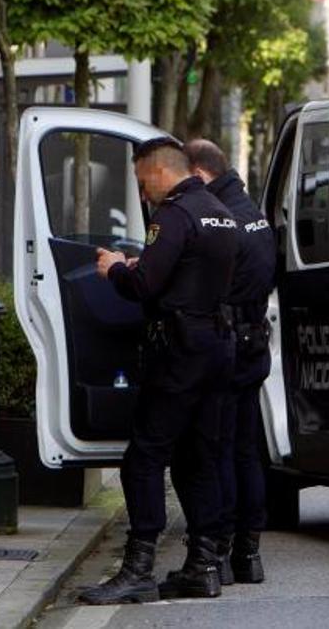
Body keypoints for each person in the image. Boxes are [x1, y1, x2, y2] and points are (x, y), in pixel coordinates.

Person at [78, 137, 237, 605]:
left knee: (144, 458)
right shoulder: (219, 210)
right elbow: (192, 273)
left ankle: (138, 569)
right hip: (217, 344)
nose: (141, 191)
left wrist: (114, 270)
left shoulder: (172, 213)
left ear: (155, 171)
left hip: (178, 351)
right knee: (197, 458)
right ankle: (204, 566)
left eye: (140, 180)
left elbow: (145, 284)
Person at [180, 139, 276, 585]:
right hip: (254, 339)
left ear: (198, 174)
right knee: (247, 451)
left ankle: (214, 549)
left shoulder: (218, 218)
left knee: (214, 449)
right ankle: (249, 554)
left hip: (226, 342)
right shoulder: (252, 211)